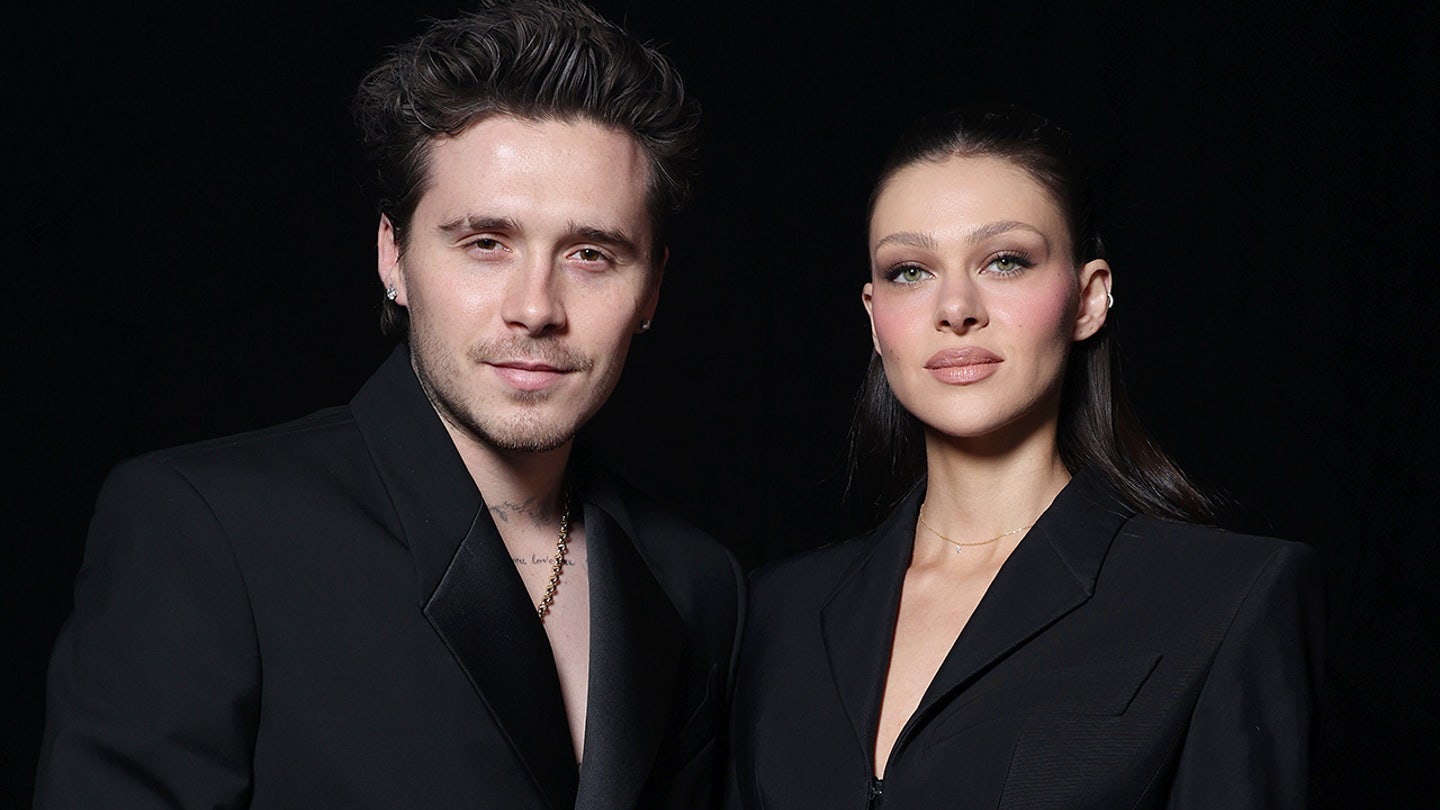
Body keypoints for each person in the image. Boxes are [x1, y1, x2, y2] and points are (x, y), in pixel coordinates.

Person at [36, 2, 741, 807]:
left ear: (651, 289)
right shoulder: (203, 532)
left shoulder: (696, 585)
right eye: (486, 244)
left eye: (590, 254)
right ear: (393, 255)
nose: (535, 308)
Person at [729, 107, 1324, 808]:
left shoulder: (1226, 599)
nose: (955, 308)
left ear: (1089, 299)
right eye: (910, 271)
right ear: (874, 318)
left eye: (1005, 261)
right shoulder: (771, 614)